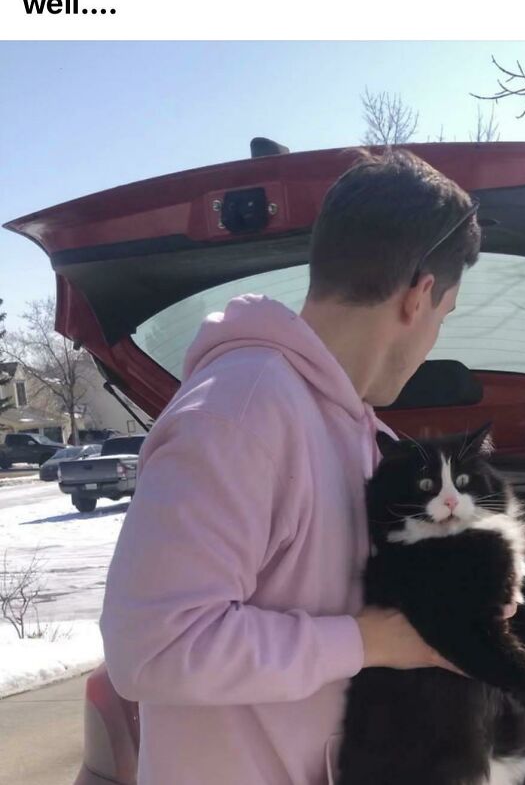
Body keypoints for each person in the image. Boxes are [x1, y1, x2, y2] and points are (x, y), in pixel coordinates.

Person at [100, 148, 481, 784]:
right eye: (446, 315)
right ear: (420, 297)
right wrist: (371, 641)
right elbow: (152, 646)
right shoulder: (241, 409)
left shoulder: (359, 431)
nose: (435, 335)